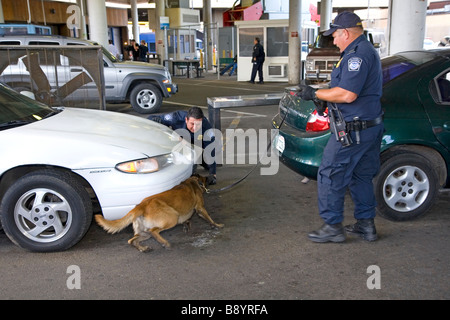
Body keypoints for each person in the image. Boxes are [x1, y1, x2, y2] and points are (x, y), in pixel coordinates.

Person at [296, 11, 384, 243]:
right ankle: (366, 225)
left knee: (330, 173)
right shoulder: (362, 51)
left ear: (345, 33)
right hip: (368, 127)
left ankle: (333, 226)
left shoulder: (357, 55)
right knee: (360, 176)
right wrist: (325, 94)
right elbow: (345, 87)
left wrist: (314, 92)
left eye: (335, 35)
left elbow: (347, 94)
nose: (333, 40)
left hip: (354, 129)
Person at [148, 107, 217, 185]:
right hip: (178, 140)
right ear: (186, 120)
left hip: (197, 142)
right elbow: (149, 118)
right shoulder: (176, 117)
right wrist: (157, 120)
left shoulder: (206, 128)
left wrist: (213, 174)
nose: (195, 127)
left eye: (198, 124)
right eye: (192, 124)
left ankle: (200, 161)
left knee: (209, 163)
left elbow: (211, 151)